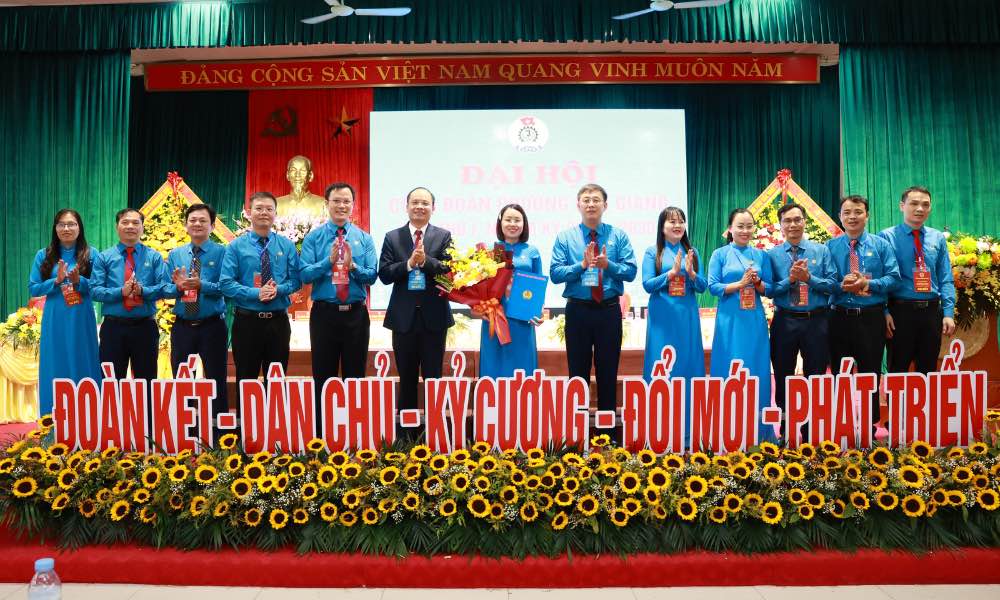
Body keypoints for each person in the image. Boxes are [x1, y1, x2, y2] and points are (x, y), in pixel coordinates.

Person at [551, 183, 637, 441]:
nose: (591, 204)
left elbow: (631, 271)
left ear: (605, 205)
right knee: (576, 373)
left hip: (609, 311)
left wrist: (606, 264)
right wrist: (582, 265)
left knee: (608, 372)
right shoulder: (565, 237)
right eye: (586, 200)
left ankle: (607, 437)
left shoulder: (618, 236)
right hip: (578, 312)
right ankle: (575, 436)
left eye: (596, 200)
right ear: (578, 205)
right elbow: (555, 274)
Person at [378, 187, 453, 439]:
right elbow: (385, 275)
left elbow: (450, 273)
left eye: (425, 203)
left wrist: (426, 261)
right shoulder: (393, 237)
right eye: (415, 202)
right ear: (406, 206)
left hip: (434, 319)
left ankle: (434, 435)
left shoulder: (444, 236)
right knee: (407, 380)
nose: (420, 207)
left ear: (433, 207)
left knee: (434, 379)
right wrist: (410, 264)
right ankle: (406, 439)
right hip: (403, 320)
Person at [827, 195, 900, 437]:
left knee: (870, 371)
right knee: (839, 371)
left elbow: (894, 277)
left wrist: (868, 282)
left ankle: (870, 425)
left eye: (858, 212)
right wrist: (841, 286)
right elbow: (825, 282)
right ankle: (841, 420)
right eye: (847, 212)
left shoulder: (881, 246)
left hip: (870, 317)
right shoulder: (831, 246)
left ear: (866, 215)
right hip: (839, 317)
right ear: (840, 217)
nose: (852, 217)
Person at [765, 203, 836, 443]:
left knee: (815, 374)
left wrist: (809, 278)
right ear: (781, 225)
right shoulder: (772, 255)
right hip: (785, 320)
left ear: (805, 221)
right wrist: (789, 280)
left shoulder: (821, 251)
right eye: (788, 220)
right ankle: (786, 428)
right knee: (783, 374)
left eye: (797, 219)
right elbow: (769, 290)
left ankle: (810, 430)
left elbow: (832, 285)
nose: (793, 225)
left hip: (816, 320)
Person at [300, 182, 378, 398]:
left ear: (353, 205)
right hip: (324, 315)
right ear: (327, 204)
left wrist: (352, 266)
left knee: (355, 378)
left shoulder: (364, 238)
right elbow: (304, 275)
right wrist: (329, 261)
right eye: (336, 201)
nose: (341, 205)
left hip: (356, 315)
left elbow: (372, 276)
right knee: (323, 377)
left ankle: (353, 429)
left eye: (346, 201)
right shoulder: (314, 238)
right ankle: (321, 430)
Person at [220, 192, 301, 392]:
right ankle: (245, 423)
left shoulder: (287, 245)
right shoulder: (236, 247)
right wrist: (256, 293)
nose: (264, 212)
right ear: (249, 213)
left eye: (269, 209)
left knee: (276, 379)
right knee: (245, 379)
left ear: (276, 213)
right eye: (259, 208)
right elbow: (226, 283)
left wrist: (278, 290)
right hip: (247, 322)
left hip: (278, 323)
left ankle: (274, 422)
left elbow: (297, 280)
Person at [707, 208, 776, 443]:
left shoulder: (761, 255)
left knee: (755, 369)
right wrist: (740, 283)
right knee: (729, 368)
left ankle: (759, 431)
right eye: (740, 226)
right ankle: (727, 428)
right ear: (730, 228)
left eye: (749, 226)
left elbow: (770, 288)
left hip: (753, 319)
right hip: (729, 319)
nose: (745, 231)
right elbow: (713, 286)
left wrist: (757, 284)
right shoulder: (719, 254)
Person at [28, 209, 101, 417]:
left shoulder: (92, 254)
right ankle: (53, 425)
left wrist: (79, 281)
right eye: (62, 224)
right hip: (55, 319)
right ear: (55, 228)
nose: (66, 228)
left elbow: (97, 288)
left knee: (84, 363)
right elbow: (34, 288)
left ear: (80, 228)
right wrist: (56, 281)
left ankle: (89, 423)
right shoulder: (44, 255)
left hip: (82, 319)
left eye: (71, 224)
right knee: (55, 365)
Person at [164, 203, 228, 429]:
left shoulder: (223, 252)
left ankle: (219, 431)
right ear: (186, 225)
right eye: (193, 220)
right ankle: (185, 428)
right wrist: (177, 287)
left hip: (212, 326)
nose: (197, 224)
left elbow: (227, 287)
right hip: (183, 326)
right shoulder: (176, 254)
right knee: (182, 379)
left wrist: (203, 285)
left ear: (212, 225)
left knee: (216, 378)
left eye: (203, 220)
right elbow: (164, 288)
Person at [879, 186, 956, 374]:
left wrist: (948, 313)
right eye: (914, 203)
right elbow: (881, 278)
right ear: (902, 206)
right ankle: (897, 405)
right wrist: (885, 311)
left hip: (931, 313)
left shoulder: (937, 238)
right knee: (898, 370)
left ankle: (926, 405)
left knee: (928, 370)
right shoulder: (886, 237)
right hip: (900, 313)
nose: (920, 209)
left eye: (925, 205)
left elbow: (945, 278)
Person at [91, 208, 168, 383]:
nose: (130, 226)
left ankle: (147, 412)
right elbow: (95, 290)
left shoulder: (154, 257)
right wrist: (121, 292)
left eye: (135, 223)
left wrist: (143, 291)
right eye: (125, 222)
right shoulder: (104, 257)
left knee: (147, 381)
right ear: (117, 227)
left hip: (145, 328)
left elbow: (164, 288)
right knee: (110, 382)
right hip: (113, 328)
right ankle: (112, 412)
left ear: (142, 228)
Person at [478, 204, 544, 379]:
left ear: (524, 224)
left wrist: (538, 310)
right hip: (495, 317)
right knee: (494, 367)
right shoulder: (491, 251)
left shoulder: (532, 251)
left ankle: (523, 405)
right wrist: (480, 307)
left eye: (517, 220)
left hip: (522, 318)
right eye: (508, 219)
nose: (512, 224)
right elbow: (480, 285)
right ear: (500, 223)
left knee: (522, 368)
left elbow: (538, 285)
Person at [642, 206, 706, 383]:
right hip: (662, 314)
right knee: (661, 356)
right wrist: (671, 273)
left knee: (687, 357)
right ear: (662, 227)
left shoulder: (692, 251)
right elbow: (647, 285)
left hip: (687, 314)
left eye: (681, 221)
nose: (678, 225)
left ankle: (688, 405)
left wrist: (692, 274)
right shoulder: (652, 251)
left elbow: (702, 286)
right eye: (672, 221)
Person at [275, 155, 326, 219]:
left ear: (310, 176)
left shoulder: (323, 204)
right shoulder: (276, 204)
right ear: (288, 175)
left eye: (302, 171)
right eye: (293, 170)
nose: (297, 175)